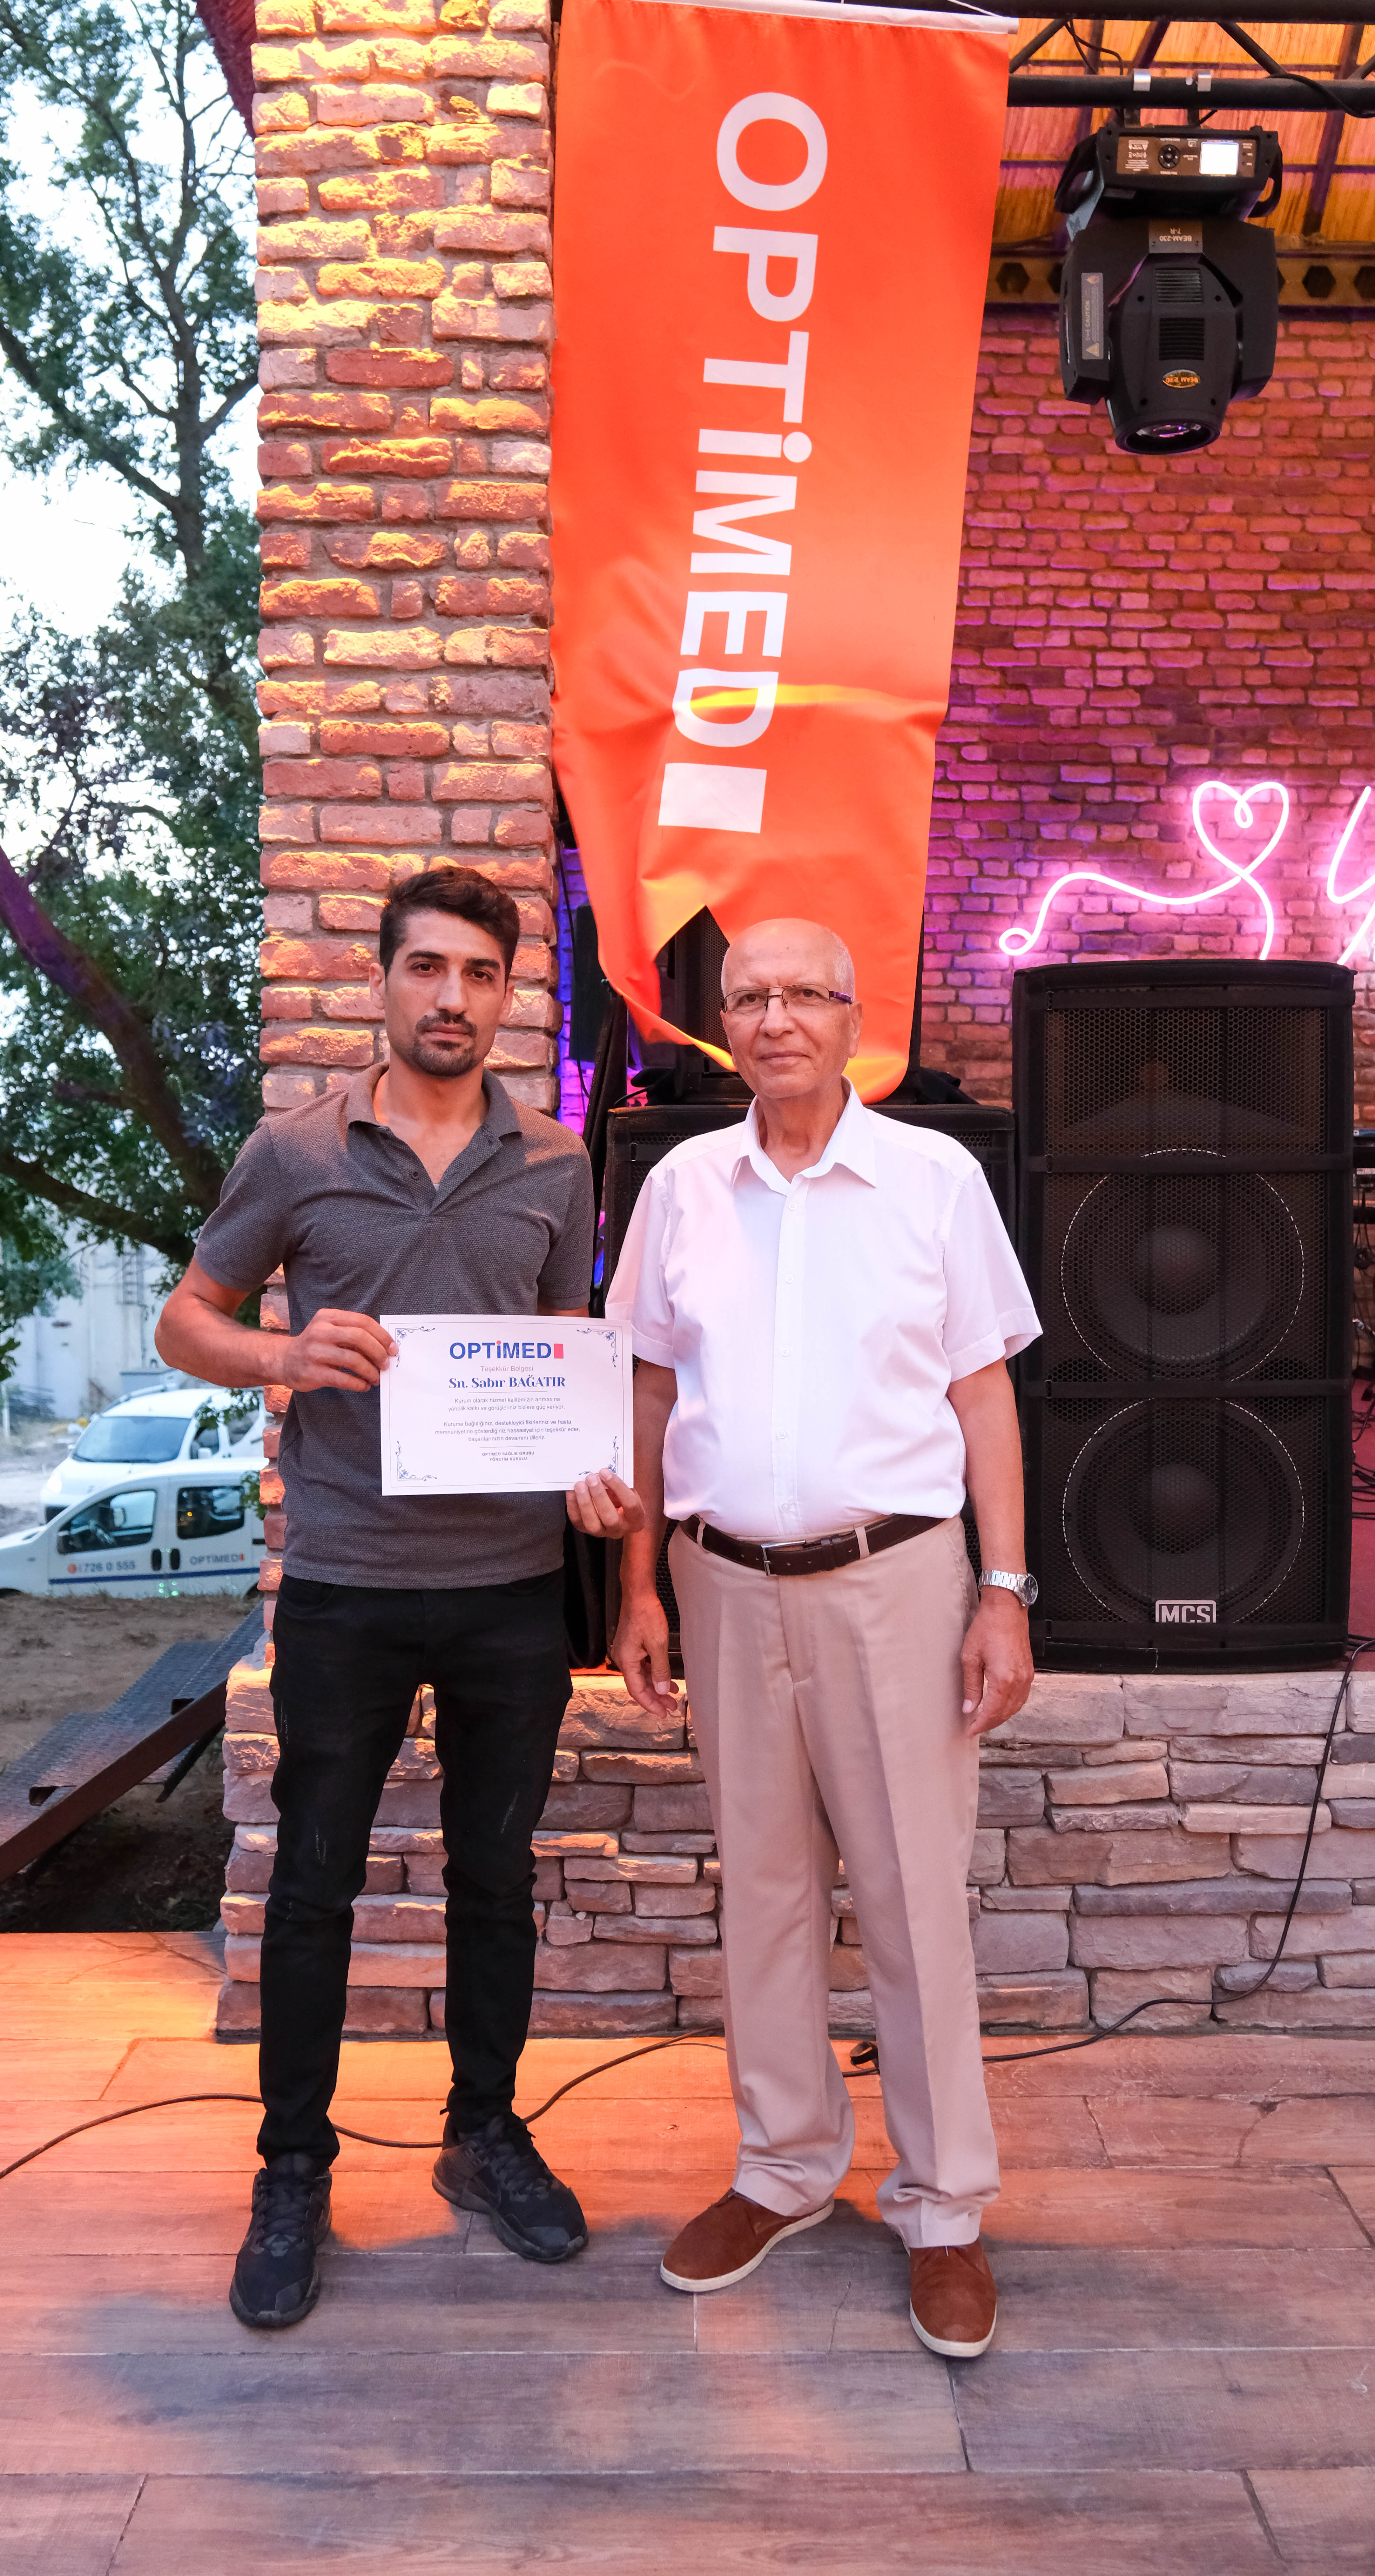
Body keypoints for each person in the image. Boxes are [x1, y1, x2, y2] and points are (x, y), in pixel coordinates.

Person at [571, 916, 1040, 2361]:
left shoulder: (934, 1181)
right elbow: (649, 1393)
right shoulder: (680, 1189)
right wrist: (639, 1587)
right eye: (749, 998)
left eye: (803, 995)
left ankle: (943, 2208)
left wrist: (1006, 1591)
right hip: (720, 1582)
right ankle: (781, 2169)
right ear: (723, 1028)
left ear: (853, 1018)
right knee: (765, 1895)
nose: (775, 1019)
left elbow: (982, 1396)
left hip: (896, 1582)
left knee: (911, 1901)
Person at [157, 866, 602, 2329]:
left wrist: (593, 1466)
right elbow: (186, 1321)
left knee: (495, 1877)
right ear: (384, 980)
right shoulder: (295, 1153)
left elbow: (564, 1348)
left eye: (480, 974)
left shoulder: (556, 1162)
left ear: (508, 994)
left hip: (510, 1592)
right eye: (428, 968)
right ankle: (293, 2168)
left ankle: (485, 2132)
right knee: (311, 1884)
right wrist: (284, 1358)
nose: (451, 998)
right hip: (346, 1585)